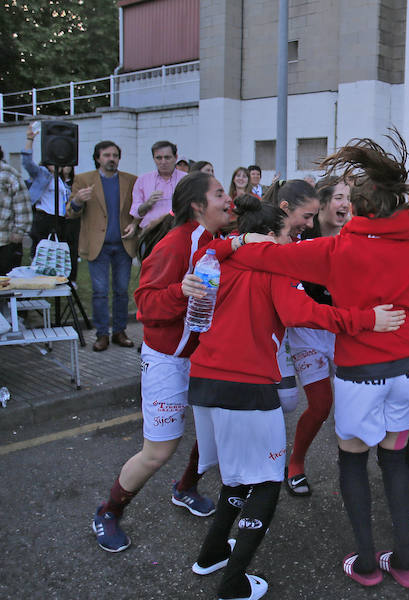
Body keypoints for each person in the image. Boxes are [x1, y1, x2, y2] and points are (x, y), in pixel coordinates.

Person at [223, 131, 409, 589]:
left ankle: (369, 563)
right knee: (396, 460)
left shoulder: (335, 249)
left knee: (353, 461)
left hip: (360, 373)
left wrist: (226, 247)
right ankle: (406, 561)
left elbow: (270, 257)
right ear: (398, 206)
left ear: (356, 208)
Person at [185, 194, 403, 600]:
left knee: (236, 476)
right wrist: (367, 320)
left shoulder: (218, 258)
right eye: (291, 235)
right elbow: (306, 313)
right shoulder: (272, 266)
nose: (295, 244)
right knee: (267, 481)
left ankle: (212, 553)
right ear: (268, 236)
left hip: (203, 380)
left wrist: (233, 242)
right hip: (247, 385)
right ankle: (233, 583)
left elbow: (206, 251)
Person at [89, 172, 228, 554]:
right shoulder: (174, 244)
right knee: (158, 451)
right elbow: (146, 307)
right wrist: (179, 291)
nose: (228, 200)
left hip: (202, 359)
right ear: (198, 205)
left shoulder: (217, 243)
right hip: (166, 361)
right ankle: (108, 511)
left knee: (212, 435)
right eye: (220, 194)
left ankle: (185, 488)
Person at [281, 176, 352, 496]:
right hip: (307, 332)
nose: (344, 204)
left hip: (343, 330)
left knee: (353, 402)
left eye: (348, 198)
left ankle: (352, 466)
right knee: (321, 404)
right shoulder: (302, 237)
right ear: (321, 204)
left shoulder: (354, 235)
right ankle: (295, 463)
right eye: (338, 197)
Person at [67, 141, 139, 351]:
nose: (111, 159)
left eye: (115, 155)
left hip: (123, 245)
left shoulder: (131, 181)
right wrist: (78, 201)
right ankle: (101, 335)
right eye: (107, 155)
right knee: (99, 292)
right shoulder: (83, 180)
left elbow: (138, 211)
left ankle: (119, 331)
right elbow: (70, 212)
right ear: (98, 158)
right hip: (97, 246)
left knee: (121, 291)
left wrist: (134, 225)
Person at [22, 128, 73, 273]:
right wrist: (30, 140)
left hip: (60, 219)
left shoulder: (61, 180)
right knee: (40, 253)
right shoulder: (42, 174)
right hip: (44, 218)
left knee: (57, 255)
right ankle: (34, 281)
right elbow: (27, 163)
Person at [128, 140, 187, 233]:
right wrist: (147, 204)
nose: (163, 162)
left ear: (175, 157)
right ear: (153, 159)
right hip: (150, 232)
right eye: (159, 158)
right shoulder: (143, 180)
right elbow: (135, 212)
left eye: (167, 157)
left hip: (178, 231)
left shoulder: (186, 179)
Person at [0, 145, 31, 275]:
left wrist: (19, 231)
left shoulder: (9, 173)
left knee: (6, 285)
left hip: (5, 240)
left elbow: (22, 203)